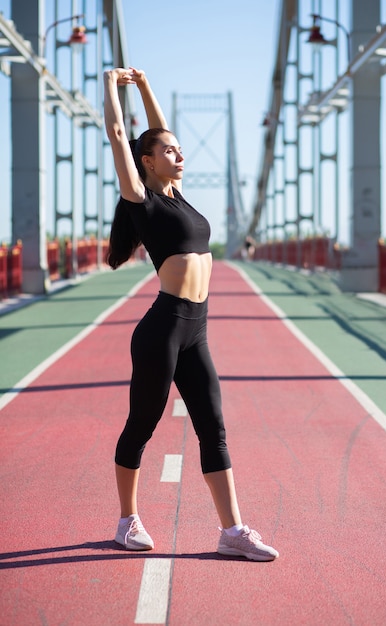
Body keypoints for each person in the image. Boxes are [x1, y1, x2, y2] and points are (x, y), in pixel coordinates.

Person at [103, 66, 278, 562]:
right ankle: (126, 520)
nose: (181, 156)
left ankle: (232, 531)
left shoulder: (178, 195)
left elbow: (156, 132)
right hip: (161, 331)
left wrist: (144, 86)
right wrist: (111, 87)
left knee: (213, 427)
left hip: (196, 330)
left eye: (180, 148)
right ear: (147, 163)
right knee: (142, 424)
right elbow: (122, 134)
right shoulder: (143, 198)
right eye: (170, 152)